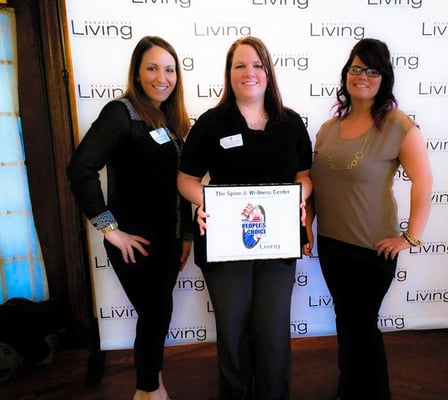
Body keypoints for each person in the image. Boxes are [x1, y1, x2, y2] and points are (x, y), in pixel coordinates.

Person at [177, 36, 312, 400]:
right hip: (223, 244)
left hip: (278, 244)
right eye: (240, 65)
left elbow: (304, 175)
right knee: (233, 332)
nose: (249, 72)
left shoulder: (291, 123)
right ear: (229, 73)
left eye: (257, 64)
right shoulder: (211, 122)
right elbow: (186, 179)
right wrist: (203, 201)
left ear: (268, 72)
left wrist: (302, 197)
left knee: (272, 334)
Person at [304, 38, 433, 400]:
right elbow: (315, 185)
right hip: (332, 247)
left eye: (372, 70)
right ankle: (350, 390)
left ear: (384, 77)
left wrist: (409, 237)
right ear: (346, 74)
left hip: (372, 251)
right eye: (356, 68)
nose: (362, 76)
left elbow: (424, 182)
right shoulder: (328, 129)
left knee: (361, 329)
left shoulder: (399, 126)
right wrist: (307, 226)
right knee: (347, 326)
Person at [67, 36, 193, 400]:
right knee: (155, 314)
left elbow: (176, 186)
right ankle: (149, 391)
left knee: (157, 317)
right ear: (137, 74)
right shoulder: (119, 113)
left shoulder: (170, 120)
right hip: (135, 244)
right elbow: (81, 169)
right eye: (152, 68)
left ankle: (151, 387)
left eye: (169, 69)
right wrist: (110, 229)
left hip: (168, 243)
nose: (162, 77)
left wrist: (185, 236)